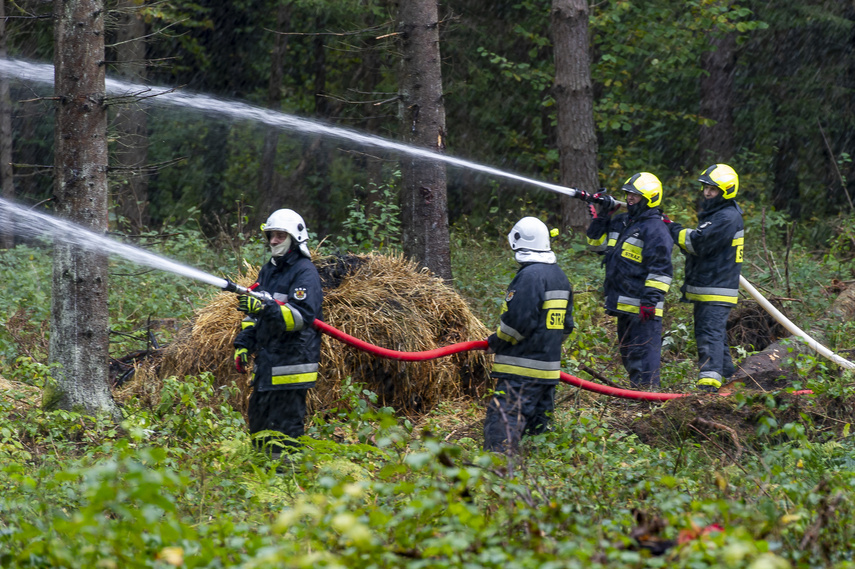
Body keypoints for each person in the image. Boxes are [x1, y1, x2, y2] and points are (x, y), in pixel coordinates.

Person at [233, 208, 323, 456]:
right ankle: (262, 477)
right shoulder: (268, 270)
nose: (273, 240)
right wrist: (243, 344)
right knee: (259, 423)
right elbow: (254, 315)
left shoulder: (305, 272)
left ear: (295, 237)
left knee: (284, 431)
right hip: (268, 364)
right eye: (271, 235)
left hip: (291, 365)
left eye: (280, 236)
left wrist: (264, 308)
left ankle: (286, 483)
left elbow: (300, 318)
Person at [483, 217, 574, 453]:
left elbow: (518, 322)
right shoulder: (559, 276)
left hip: (519, 372)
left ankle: (497, 472)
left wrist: (496, 342)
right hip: (548, 373)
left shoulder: (530, 276)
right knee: (537, 435)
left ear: (518, 242)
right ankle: (534, 477)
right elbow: (566, 326)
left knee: (504, 422)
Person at [586, 172, 673, 389]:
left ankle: (648, 403)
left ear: (649, 197)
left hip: (644, 307)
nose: (629, 198)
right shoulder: (623, 222)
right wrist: (602, 216)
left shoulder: (656, 229)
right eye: (628, 194)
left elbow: (660, 269)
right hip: (624, 304)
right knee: (629, 356)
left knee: (644, 360)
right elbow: (595, 245)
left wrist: (650, 301)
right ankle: (639, 398)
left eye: (635, 195)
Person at [663, 164, 744, 392]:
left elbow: (697, 243)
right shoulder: (719, 214)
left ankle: (708, 387)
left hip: (715, 287)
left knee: (709, 336)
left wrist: (672, 228)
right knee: (714, 336)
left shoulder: (726, 217)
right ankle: (730, 380)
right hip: (710, 286)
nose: (707, 193)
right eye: (706, 188)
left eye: (713, 189)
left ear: (726, 190)